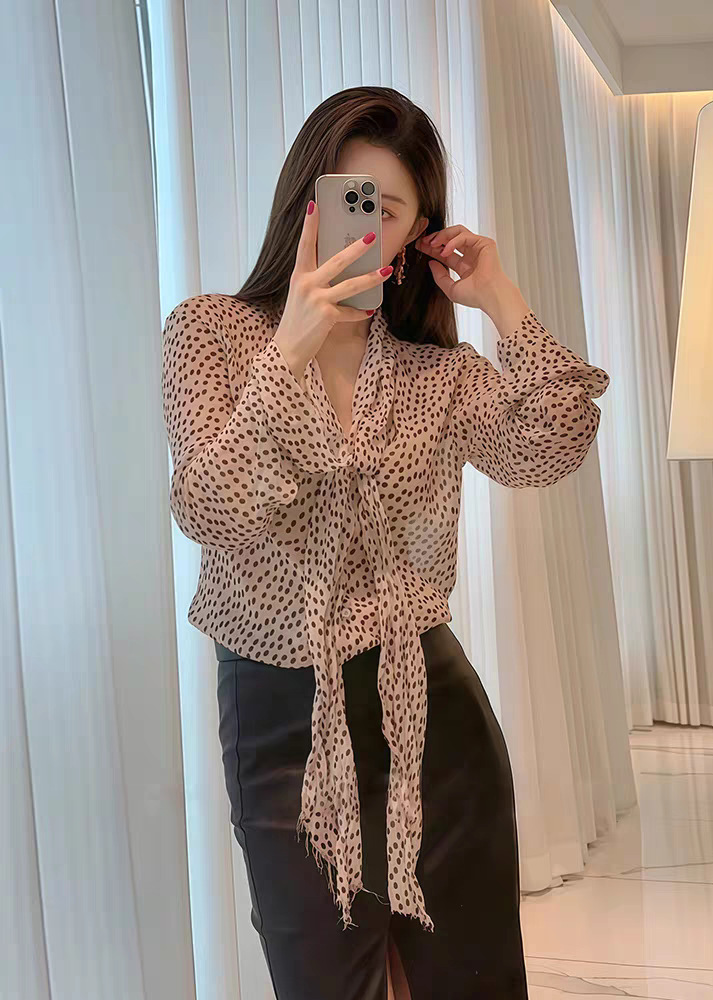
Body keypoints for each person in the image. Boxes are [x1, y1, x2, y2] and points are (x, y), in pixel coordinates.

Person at [160, 85, 610, 1000]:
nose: (359, 227)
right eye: (345, 197)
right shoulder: (211, 333)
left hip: (435, 718)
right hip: (283, 728)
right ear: (304, 201)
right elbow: (207, 507)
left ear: (413, 236)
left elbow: (555, 439)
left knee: (474, 982)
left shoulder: (436, 375)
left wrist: (498, 297)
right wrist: (290, 351)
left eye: (387, 209)